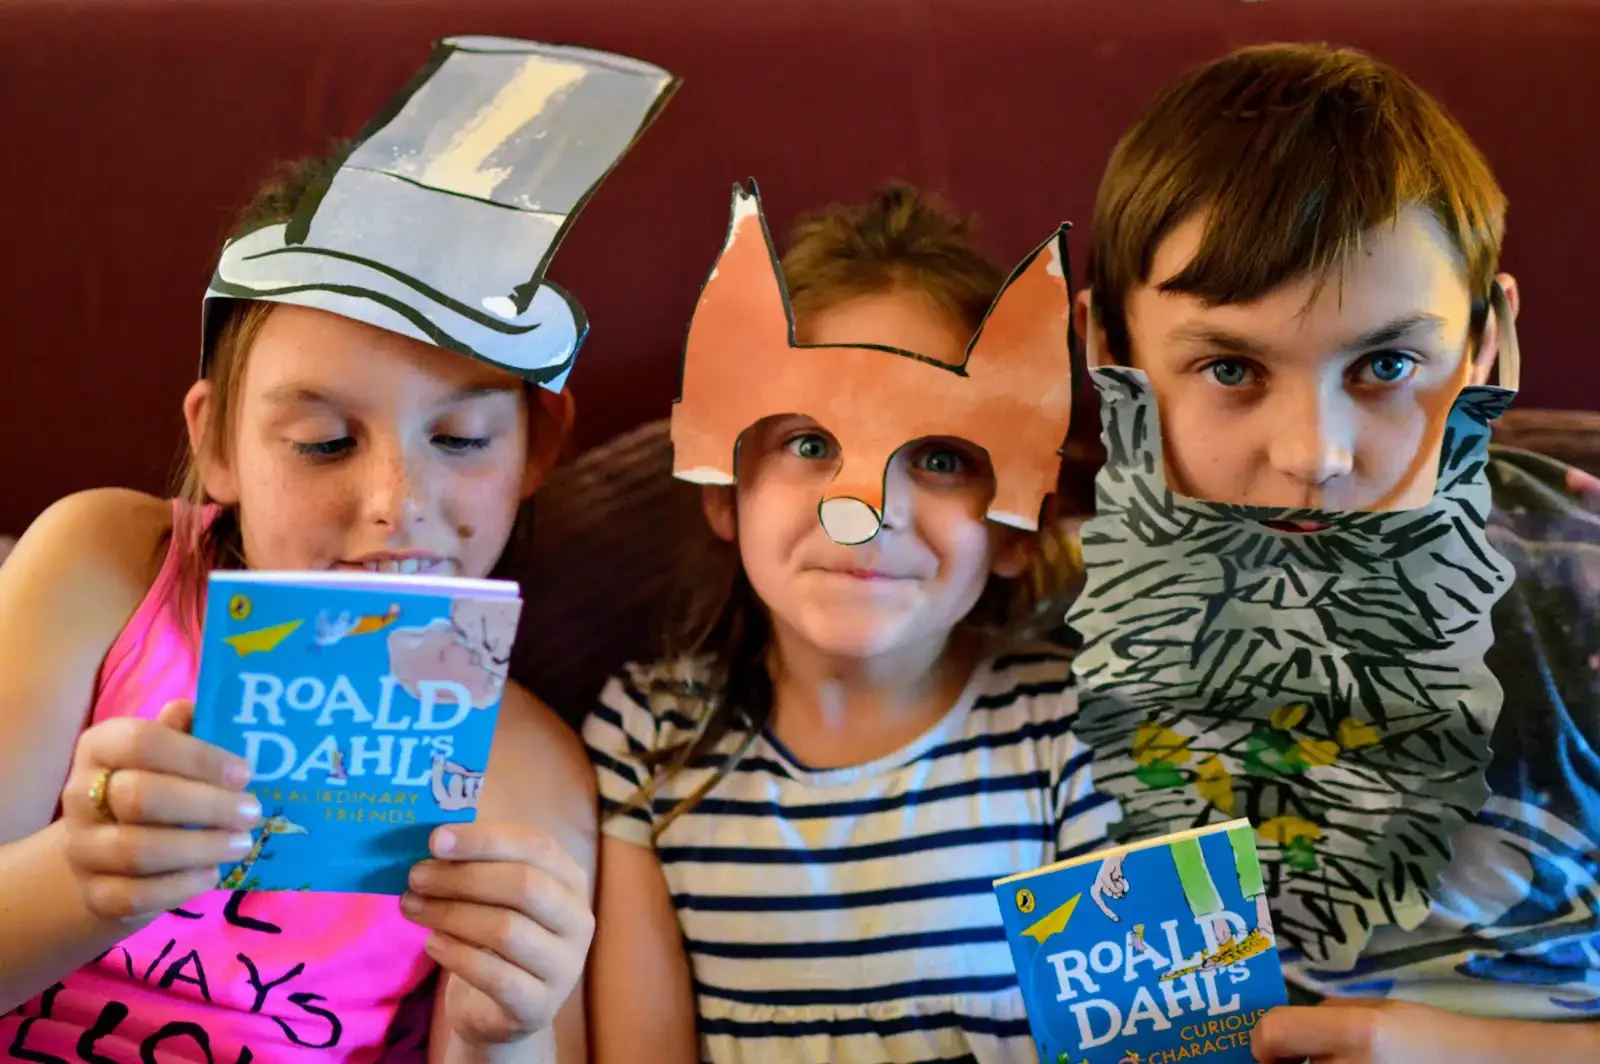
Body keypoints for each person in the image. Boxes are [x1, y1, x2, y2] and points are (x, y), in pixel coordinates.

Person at [0, 35, 674, 1052]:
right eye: (322, 443)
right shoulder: (103, 565)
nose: (396, 502)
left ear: (537, 449)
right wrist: (79, 876)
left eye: (458, 439)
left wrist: (505, 1023)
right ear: (216, 441)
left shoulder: (528, 762)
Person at [1074, 42, 1600, 1064]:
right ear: (1110, 357)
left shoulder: (1581, 591)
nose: (1313, 455)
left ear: (1486, 345)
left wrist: (1464, 1051)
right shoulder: (1025, 615)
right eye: (1229, 366)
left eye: (1387, 364)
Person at [582, 185, 1111, 1063]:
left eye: (942, 459)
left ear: (1019, 523)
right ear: (725, 488)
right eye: (811, 444)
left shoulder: (1077, 724)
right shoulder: (645, 737)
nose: (863, 512)